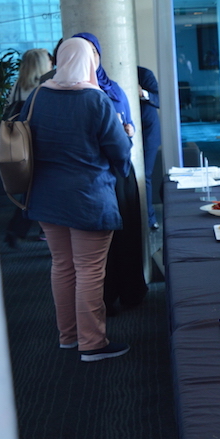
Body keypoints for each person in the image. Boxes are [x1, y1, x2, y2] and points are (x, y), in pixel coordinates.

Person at [22, 37, 132, 361]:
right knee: (88, 271)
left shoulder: (38, 95)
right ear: (89, 62)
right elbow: (119, 151)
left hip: (46, 197)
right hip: (88, 198)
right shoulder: (96, 100)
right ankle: (92, 343)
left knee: (62, 267)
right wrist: (127, 136)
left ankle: (68, 336)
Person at [73, 32, 148, 309]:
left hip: (120, 171)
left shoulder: (113, 88)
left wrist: (128, 130)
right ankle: (106, 297)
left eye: (94, 52)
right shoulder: (69, 93)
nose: (90, 58)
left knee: (126, 234)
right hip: (93, 175)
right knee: (99, 245)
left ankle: (130, 292)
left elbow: (129, 123)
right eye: (84, 52)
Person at [1, 48, 53, 248]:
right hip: (40, 143)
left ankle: (19, 229)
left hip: (19, 144)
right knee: (41, 187)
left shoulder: (16, 86)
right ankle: (36, 229)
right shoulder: (46, 87)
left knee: (32, 188)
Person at [138, 65, 161, 230]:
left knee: (145, 174)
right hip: (122, 131)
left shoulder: (144, 74)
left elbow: (159, 100)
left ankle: (149, 218)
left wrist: (143, 93)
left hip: (148, 132)